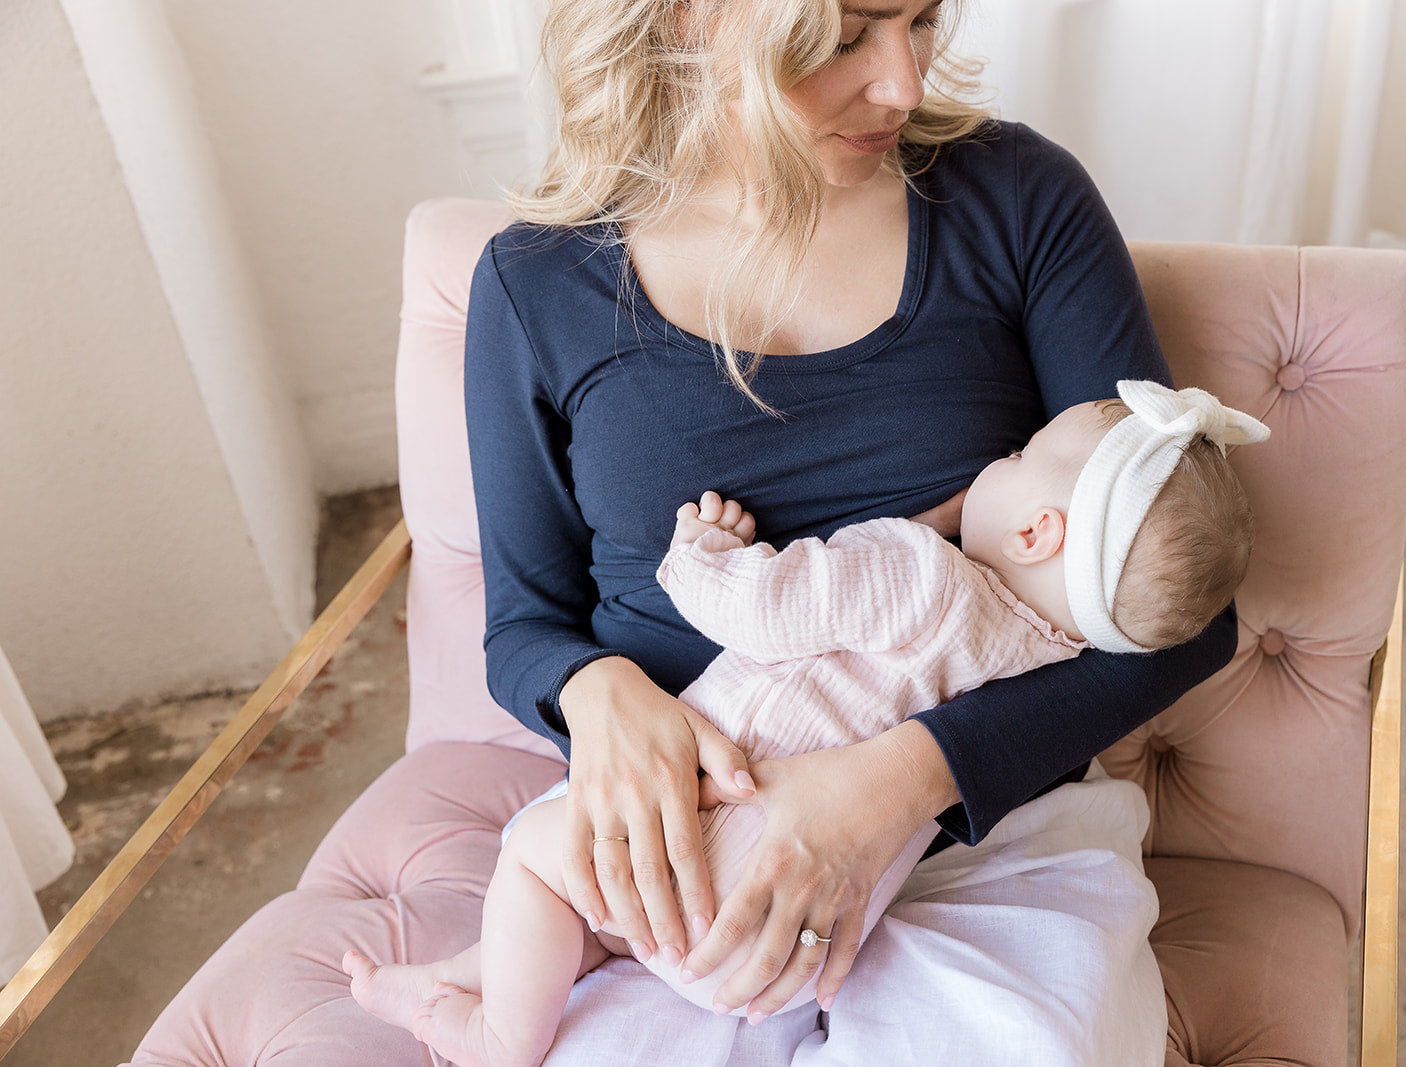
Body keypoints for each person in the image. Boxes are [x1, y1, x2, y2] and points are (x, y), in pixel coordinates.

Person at [344, 0, 1243, 1059]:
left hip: (987, 833)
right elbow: (525, 622)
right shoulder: (537, 285)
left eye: (920, 19)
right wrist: (598, 693)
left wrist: (895, 784)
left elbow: (1182, 614)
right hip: (684, 858)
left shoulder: (1015, 198)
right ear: (688, 18)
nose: (903, 83)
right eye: (845, 35)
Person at [342, 381, 1269, 1066]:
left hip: (708, 845)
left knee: (536, 858)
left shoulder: (921, 572)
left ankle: (497, 1032)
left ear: (1037, 533)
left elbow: (766, 612)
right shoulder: (1048, 660)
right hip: (786, 944)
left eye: (1021, 457)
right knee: (595, 915)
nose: (1002, 456)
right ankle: (460, 972)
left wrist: (701, 555)